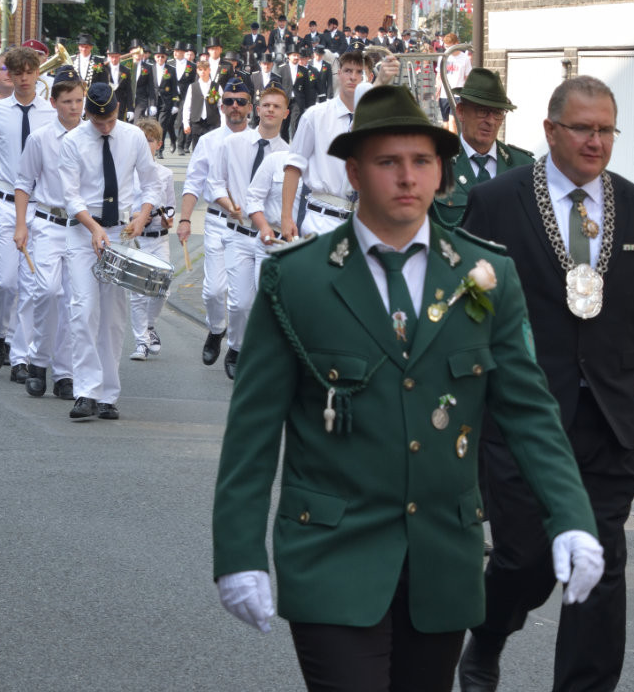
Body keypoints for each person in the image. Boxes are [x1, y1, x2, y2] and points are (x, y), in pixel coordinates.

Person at [212, 85, 602, 691]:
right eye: (387, 162)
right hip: (332, 554)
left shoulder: (486, 274)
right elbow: (252, 434)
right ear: (353, 171)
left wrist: (572, 516)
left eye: (422, 162)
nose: (407, 178)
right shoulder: (299, 281)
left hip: (441, 557)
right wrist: (238, 553)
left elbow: (530, 414)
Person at [457, 75, 634, 692]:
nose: (595, 141)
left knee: (598, 569)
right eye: (582, 128)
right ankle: (491, 632)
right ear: (551, 130)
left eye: (606, 129)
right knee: (524, 560)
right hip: (522, 420)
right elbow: (471, 314)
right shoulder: (498, 203)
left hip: (609, 422)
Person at [60, 82, 163, 420]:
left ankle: (108, 394)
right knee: (84, 308)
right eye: (97, 121)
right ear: (87, 114)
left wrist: (143, 214)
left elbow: (151, 182)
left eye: (109, 120)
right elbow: (70, 195)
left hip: (119, 232)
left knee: (114, 316)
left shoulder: (133, 136)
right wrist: (92, 227)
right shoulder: (73, 141)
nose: (104, 127)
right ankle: (85, 390)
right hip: (84, 232)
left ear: (117, 111)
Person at [0, 47, 56, 375]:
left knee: (30, 285)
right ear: (10, 76)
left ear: (37, 74)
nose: (24, 78)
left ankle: (21, 356)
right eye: (17, 73)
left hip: (39, 207)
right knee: (4, 282)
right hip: (3, 205)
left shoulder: (50, 112)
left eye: (30, 72)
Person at [209, 85, 289, 379]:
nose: (270, 110)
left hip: (270, 238)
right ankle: (236, 346)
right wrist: (228, 204)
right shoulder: (233, 144)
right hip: (238, 233)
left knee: (265, 302)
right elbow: (215, 182)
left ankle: (258, 357)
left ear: (285, 113)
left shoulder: (288, 156)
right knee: (240, 301)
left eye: (276, 107)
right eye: (265, 104)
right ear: (257, 109)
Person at [14, 69, 84, 399]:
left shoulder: (92, 138)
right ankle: (38, 361)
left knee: (74, 301)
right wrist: (21, 223)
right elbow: (24, 182)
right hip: (47, 223)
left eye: (79, 101)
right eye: (68, 101)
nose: (75, 108)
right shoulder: (40, 138)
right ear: (53, 102)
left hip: (80, 229)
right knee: (46, 292)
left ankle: (65, 372)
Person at [177, 79, 252, 369]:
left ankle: (235, 347)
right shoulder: (208, 141)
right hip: (217, 223)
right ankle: (216, 329)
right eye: (230, 101)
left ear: (250, 107)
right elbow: (193, 184)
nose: (235, 106)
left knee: (241, 299)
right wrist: (184, 219)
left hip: (246, 227)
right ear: (221, 106)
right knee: (213, 291)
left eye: (241, 101)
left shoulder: (259, 141)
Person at [279, 49, 391, 240]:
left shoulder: (383, 120)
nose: (353, 77)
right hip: (322, 219)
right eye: (348, 70)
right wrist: (286, 217)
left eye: (360, 72)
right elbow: (293, 166)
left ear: (371, 77)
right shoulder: (315, 116)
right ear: (339, 73)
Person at [430, 68, 533, 230]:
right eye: (482, 111)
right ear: (461, 112)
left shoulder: (524, 166)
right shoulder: (435, 164)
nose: (491, 121)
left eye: (498, 113)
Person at [127, 118, 174, 362]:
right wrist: (135, 216)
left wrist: (168, 217)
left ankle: (150, 326)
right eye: (142, 141)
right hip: (138, 240)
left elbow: (171, 206)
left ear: (157, 144)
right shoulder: (128, 173)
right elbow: (125, 206)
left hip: (159, 238)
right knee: (138, 293)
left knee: (161, 289)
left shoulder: (165, 174)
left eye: (151, 141)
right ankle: (141, 342)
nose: (147, 145)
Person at [436, 34, 471, 134]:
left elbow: (467, 77)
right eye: (446, 47)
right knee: (445, 124)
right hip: (444, 94)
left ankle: (454, 147)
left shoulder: (465, 58)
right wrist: (437, 90)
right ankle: (444, 146)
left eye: (450, 47)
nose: (448, 49)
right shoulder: (442, 58)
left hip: (457, 94)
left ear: (456, 44)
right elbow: (439, 76)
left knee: (453, 122)